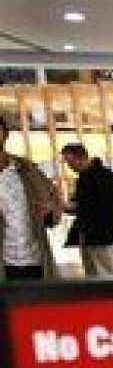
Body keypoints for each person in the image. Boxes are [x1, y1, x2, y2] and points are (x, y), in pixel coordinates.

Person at [0, 115, 61, 281]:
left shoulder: (26, 167)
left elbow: (53, 198)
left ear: (5, 134)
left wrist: (50, 212)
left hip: (35, 259)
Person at [61, 143, 113, 276]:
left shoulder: (103, 177)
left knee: (106, 275)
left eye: (70, 162)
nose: (70, 167)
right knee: (93, 275)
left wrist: (67, 206)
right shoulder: (85, 177)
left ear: (81, 157)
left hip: (102, 236)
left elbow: (99, 207)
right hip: (89, 235)